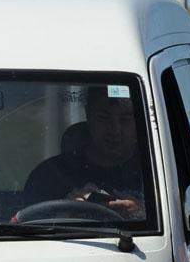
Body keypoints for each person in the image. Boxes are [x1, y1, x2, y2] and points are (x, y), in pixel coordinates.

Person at [22, 86, 145, 220]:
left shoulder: (158, 171)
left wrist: (141, 214)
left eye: (125, 120)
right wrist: (65, 215)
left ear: (139, 120)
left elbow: (169, 223)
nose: (115, 130)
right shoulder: (48, 176)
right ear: (88, 114)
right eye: (104, 117)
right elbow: (28, 233)